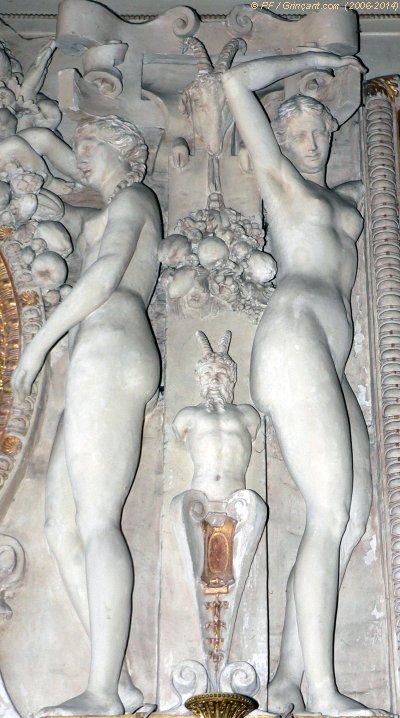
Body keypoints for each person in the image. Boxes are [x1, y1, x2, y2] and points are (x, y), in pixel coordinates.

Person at [223, 53, 377, 715]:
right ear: (283, 140)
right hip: (294, 338)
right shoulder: (284, 184)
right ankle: (322, 689)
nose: (311, 141)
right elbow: (235, 85)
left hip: (330, 360)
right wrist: (315, 61)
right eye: (299, 132)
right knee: (330, 514)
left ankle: (287, 682)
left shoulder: (347, 203)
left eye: (320, 130)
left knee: (348, 520)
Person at [12, 115, 162, 716]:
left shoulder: (135, 196)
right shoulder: (102, 203)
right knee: (60, 527)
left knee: (97, 519)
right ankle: (117, 681)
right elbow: (45, 164)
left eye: (91, 146)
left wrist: (39, 342)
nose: (81, 157)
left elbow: (104, 274)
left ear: (126, 152)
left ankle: (100, 694)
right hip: (95, 350)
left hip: (113, 341)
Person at [173, 330, 260, 500]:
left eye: (220, 374)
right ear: (199, 379)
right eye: (207, 374)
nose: (214, 380)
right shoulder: (187, 416)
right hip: (199, 496)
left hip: (239, 498)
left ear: (231, 379)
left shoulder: (247, 415)